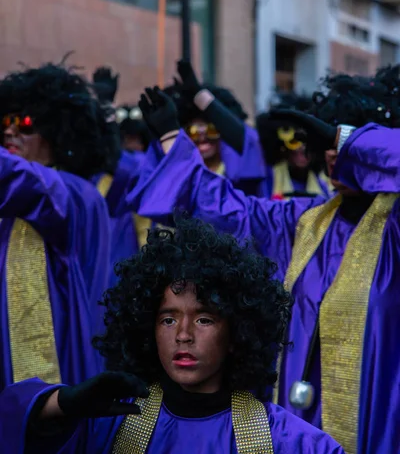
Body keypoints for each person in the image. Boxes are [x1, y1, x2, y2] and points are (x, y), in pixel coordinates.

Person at [126, 71, 400, 454]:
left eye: (344, 142)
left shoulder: (396, 228)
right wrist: (172, 134)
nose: (335, 155)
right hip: (297, 430)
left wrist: (345, 137)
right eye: (327, 144)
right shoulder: (302, 221)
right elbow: (220, 208)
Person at [0, 217, 344, 453]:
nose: (183, 334)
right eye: (167, 319)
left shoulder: (291, 443)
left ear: (237, 332)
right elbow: (11, 424)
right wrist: (63, 404)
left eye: (204, 319)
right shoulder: (108, 425)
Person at [0, 62, 118, 390]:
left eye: (24, 124)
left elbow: (12, 177)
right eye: (5, 122)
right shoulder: (17, 205)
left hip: (61, 375)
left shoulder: (74, 194)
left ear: (58, 130)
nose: (9, 131)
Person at [164, 60, 269, 197]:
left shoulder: (241, 174)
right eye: (193, 132)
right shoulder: (179, 176)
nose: (202, 137)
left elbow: (248, 141)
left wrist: (202, 98)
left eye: (212, 130)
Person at [91, 68, 152, 279]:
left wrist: (106, 107)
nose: (129, 143)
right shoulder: (96, 176)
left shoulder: (140, 164)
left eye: (135, 138)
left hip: (130, 266)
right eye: (125, 137)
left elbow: (121, 164)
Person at [256, 93, 331, 199]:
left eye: (308, 141)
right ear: (282, 146)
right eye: (295, 141)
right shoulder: (269, 177)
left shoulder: (326, 181)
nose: (302, 147)